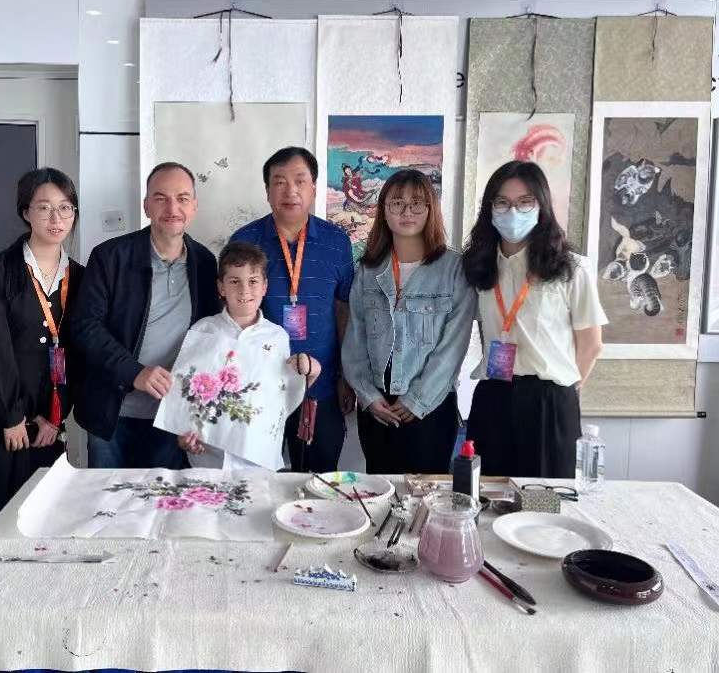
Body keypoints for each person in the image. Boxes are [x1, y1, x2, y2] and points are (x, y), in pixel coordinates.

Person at [463, 160, 606, 477]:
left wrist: (563, 389)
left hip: (548, 401)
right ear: (490, 208)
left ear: (541, 206)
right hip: (493, 396)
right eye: (502, 202)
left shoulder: (571, 268)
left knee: (543, 499)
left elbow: (591, 344)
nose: (512, 211)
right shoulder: (479, 266)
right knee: (487, 493)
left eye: (524, 202)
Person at [72, 162, 219, 469]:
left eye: (182, 198)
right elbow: (85, 327)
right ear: (146, 205)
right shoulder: (110, 256)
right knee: (108, 498)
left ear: (194, 206)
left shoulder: (205, 263)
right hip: (113, 413)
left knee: (165, 498)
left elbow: (211, 339)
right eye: (161, 198)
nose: (172, 208)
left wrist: (199, 415)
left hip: (171, 418)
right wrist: (134, 372)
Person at [0, 168, 84, 540]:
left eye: (65, 208)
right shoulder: (0, 269)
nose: (56, 218)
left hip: (52, 419)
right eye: (44, 207)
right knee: (1, 515)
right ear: (25, 212)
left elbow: (77, 352)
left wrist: (56, 418)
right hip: (5, 418)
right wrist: (13, 415)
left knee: (43, 514)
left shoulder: (80, 276)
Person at [342, 169, 475, 474]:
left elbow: (453, 346)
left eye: (417, 203)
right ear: (384, 210)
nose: (406, 212)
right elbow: (355, 340)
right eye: (397, 203)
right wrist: (368, 397)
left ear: (431, 209)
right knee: (380, 490)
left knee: (426, 495)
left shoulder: (454, 269)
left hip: (430, 407)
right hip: (378, 407)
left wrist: (417, 399)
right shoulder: (368, 270)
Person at [230, 146, 355, 472]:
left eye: (300, 181)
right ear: (267, 190)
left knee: (316, 480)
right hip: (257, 387)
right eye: (279, 182)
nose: (291, 191)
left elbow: (343, 310)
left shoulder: (337, 242)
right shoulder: (244, 241)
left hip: (319, 387)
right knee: (255, 481)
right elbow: (231, 316)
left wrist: (345, 375)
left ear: (314, 187)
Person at [172, 241, 320, 470]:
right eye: (234, 281)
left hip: (258, 460)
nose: (244, 290)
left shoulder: (277, 337)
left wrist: (310, 372)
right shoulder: (202, 331)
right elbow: (183, 391)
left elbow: (285, 396)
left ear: (264, 286)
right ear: (221, 287)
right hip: (209, 458)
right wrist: (183, 434)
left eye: (253, 281)